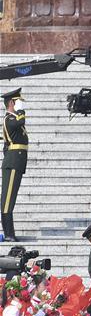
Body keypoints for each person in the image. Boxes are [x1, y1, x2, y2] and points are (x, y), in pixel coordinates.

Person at [2, 87, 28, 242]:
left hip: (16, 161)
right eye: (17, 102)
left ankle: (10, 232)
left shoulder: (13, 119)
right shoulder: (9, 119)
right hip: (12, 162)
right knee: (7, 199)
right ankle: (9, 233)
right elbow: (20, 121)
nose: (21, 105)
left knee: (10, 198)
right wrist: (20, 111)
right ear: (12, 102)